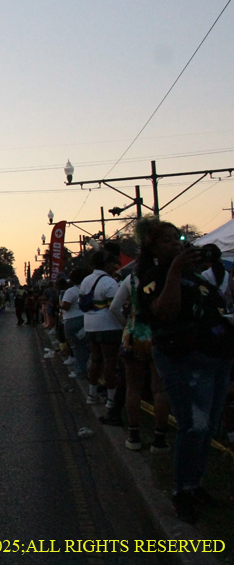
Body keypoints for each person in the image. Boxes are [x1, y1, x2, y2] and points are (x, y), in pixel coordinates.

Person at [135, 219, 234, 522]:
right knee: (193, 427)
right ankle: (181, 493)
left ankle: (194, 484)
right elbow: (166, 312)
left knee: (208, 426)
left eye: (177, 238)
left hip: (215, 359)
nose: (175, 244)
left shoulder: (195, 275)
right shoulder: (154, 277)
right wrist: (175, 271)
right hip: (184, 361)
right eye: (167, 240)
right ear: (153, 246)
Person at [109, 269, 171, 453]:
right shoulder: (167, 275)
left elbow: (114, 307)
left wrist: (127, 325)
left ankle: (133, 436)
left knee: (133, 388)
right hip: (160, 337)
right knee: (159, 389)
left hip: (134, 336)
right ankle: (159, 439)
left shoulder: (131, 279)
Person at [81, 250, 122, 413]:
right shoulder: (109, 282)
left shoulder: (86, 280)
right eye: (112, 263)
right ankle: (111, 399)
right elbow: (115, 307)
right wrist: (124, 324)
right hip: (108, 326)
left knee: (96, 359)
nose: (115, 266)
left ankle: (92, 394)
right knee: (110, 362)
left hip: (90, 325)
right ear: (107, 264)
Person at [60, 268, 90, 379]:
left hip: (72, 320)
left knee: (76, 347)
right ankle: (87, 368)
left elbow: (66, 306)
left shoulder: (71, 291)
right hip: (85, 319)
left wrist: (60, 303)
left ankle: (80, 371)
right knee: (85, 346)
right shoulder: (87, 289)